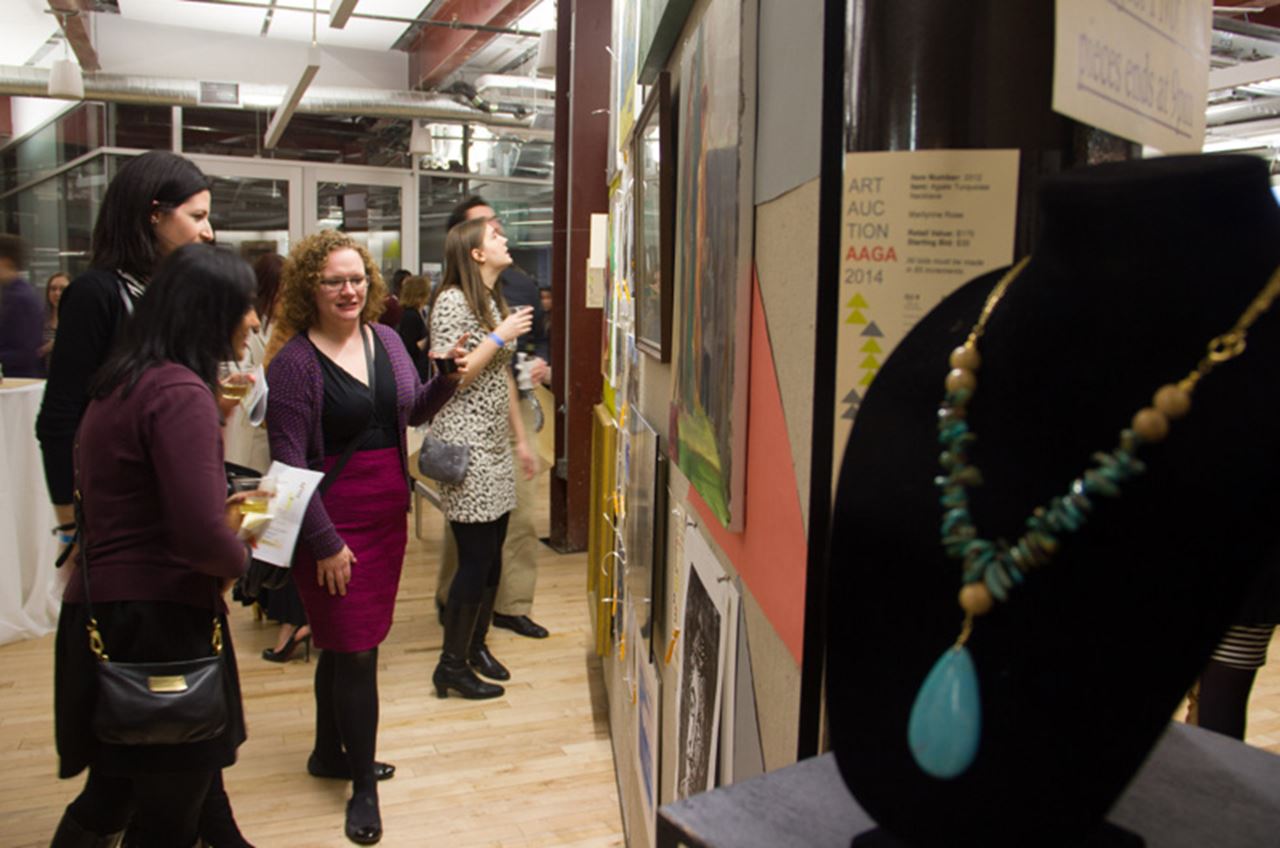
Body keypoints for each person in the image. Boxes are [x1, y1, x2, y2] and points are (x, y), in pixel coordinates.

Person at [33, 150, 255, 848]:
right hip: (154, 613)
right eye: (246, 311)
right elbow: (197, 533)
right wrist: (243, 552)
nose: (252, 326)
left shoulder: (133, 377)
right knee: (165, 804)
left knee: (125, 786)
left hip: (112, 603)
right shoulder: (172, 386)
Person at [264, 230, 462, 846]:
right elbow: (288, 464)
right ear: (310, 290)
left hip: (384, 519)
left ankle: (329, 751)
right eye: (333, 281)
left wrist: (448, 377)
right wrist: (323, 543)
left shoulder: (388, 341)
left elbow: (410, 412)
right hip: (329, 521)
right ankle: (363, 789)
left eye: (356, 279)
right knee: (356, 651)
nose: (348, 290)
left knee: (347, 641)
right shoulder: (294, 363)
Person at [434, 196, 552, 640]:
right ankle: (457, 634)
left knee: (514, 524)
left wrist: (522, 437)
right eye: (488, 228)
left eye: (498, 224)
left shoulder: (507, 289)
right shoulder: (452, 298)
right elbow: (453, 374)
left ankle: (497, 618)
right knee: (473, 546)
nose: (501, 232)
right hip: (470, 434)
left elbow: (529, 351)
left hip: (507, 419)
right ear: (469, 246)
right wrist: (501, 335)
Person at [0, 234, 43, 378]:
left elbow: (25, 352)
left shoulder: (20, 298)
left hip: (19, 382)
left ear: (5, 262)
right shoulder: (11, 293)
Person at [396, 274, 432, 381]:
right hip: (414, 368)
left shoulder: (421, 312)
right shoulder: (410, 316)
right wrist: (429, 339)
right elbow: (409, 347)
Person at [38, 271, 71, 369]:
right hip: (41, 376)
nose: (57, 293)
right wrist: (50, 346)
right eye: (53, 289)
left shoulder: (78, 320)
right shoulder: (40, 319)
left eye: (62, 289)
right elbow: (31, 353)